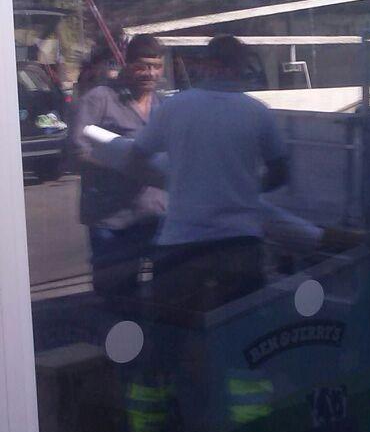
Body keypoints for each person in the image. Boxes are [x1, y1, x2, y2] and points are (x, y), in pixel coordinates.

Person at [131, 35, 289, 311]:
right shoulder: (257, 112)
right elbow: (280, 173)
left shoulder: (174, 107)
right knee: (240, 326)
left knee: (176, 327)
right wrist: (245, 188)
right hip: (240, 241)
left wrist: (170, 181)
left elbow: (136, 156)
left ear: (205, 65)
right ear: (241, 67)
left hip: (182, 240)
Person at [69, 34, 167, 297]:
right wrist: (121, 163)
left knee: (165, 293)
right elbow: (76, 152)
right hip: (112, 220)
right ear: (127, 63)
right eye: (142, 66)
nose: (150, 73)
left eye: (156, 66)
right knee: (116, 295)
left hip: (155, 215)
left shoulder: (163, 105)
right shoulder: (99, 99)